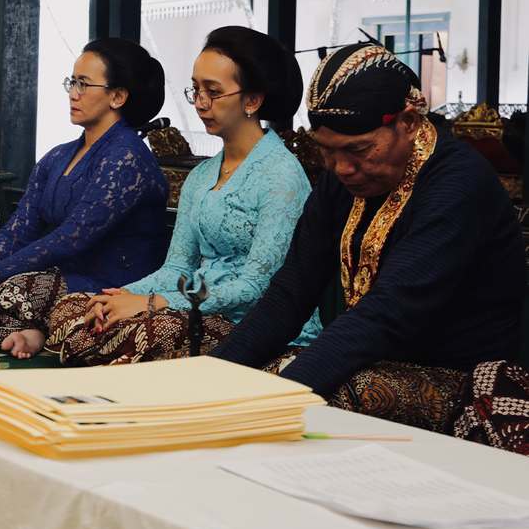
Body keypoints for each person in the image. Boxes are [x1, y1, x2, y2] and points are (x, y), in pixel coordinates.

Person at [213, 43, 525, 431]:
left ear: (408, 122)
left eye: (358, 150)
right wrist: (210, 378)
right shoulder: (341, 183)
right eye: (327, 152)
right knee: (201, 351)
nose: (342, 168)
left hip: (460, 380)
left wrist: (278, 397)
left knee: (327, 393)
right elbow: (291, 292)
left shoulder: (458, 184)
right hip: (372, 357)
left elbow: (388, 313)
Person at [45, 27, 316, 366]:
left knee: (143, 333)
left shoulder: (281, 175)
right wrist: (128, 294)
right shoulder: (202, 176)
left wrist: (156, 302)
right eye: (196, 89)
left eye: (213, 92)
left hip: (254, 324)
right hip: (192, 307)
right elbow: (177, 266)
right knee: (79, 308)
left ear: (252, 100)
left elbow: (257, 286)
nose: (201, 103)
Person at [0, 39, 169, 356]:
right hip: (59, 274)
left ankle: (30, 331)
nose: (73, 94)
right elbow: (19, 228)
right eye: (72, 82)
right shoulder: (58, 156)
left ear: (117, 96)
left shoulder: (127, 158)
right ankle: (21, 327)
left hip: (110, 282)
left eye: (84, 84)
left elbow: (72, 238)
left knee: (7, 294)